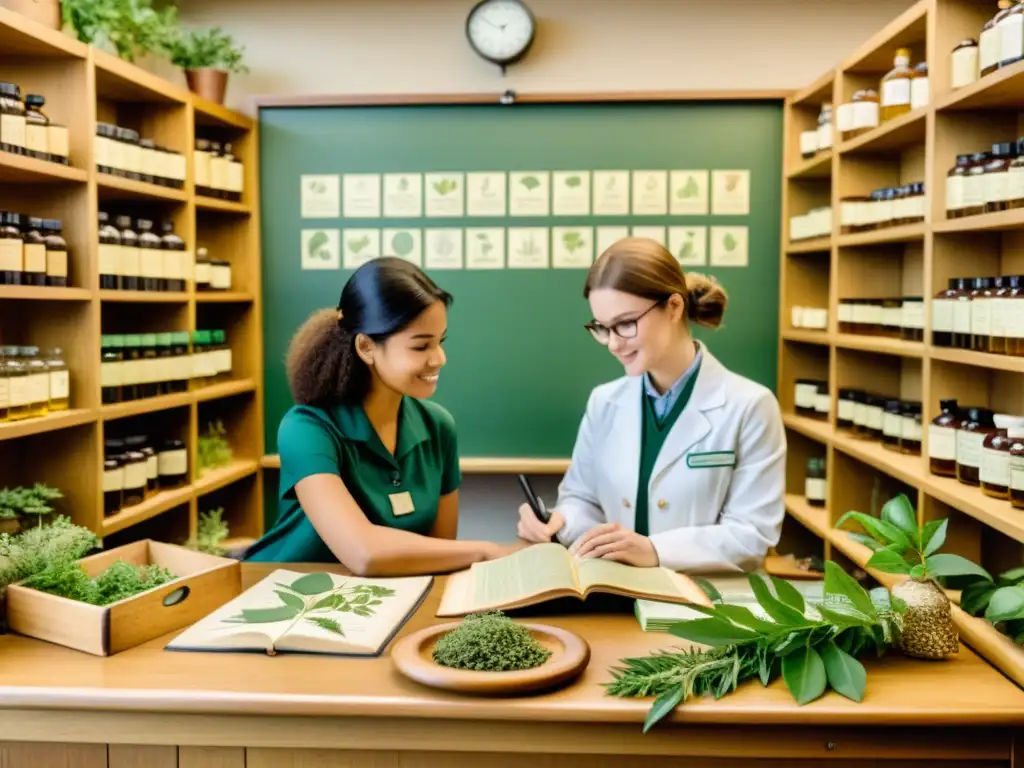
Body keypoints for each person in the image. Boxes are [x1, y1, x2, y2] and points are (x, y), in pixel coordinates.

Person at [516, 237, 786, 574]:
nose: (613, 343)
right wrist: (558, 522)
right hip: (615, 593)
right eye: (602, 328)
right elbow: (582, 498)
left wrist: (654, 549)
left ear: (674, 307)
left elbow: (752, 535)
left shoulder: (750, 406)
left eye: (626, 324)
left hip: (708, 603)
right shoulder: (604, 402)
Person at [245, 257, 513, 575]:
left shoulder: (438, 426)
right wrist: (488, 551)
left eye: (440, 342)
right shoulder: (306, 428)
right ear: (367, 347)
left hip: (384, 605)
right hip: (278, 594)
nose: (439, 358)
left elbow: (440, 558)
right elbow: (363, 553)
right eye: (420, 347)